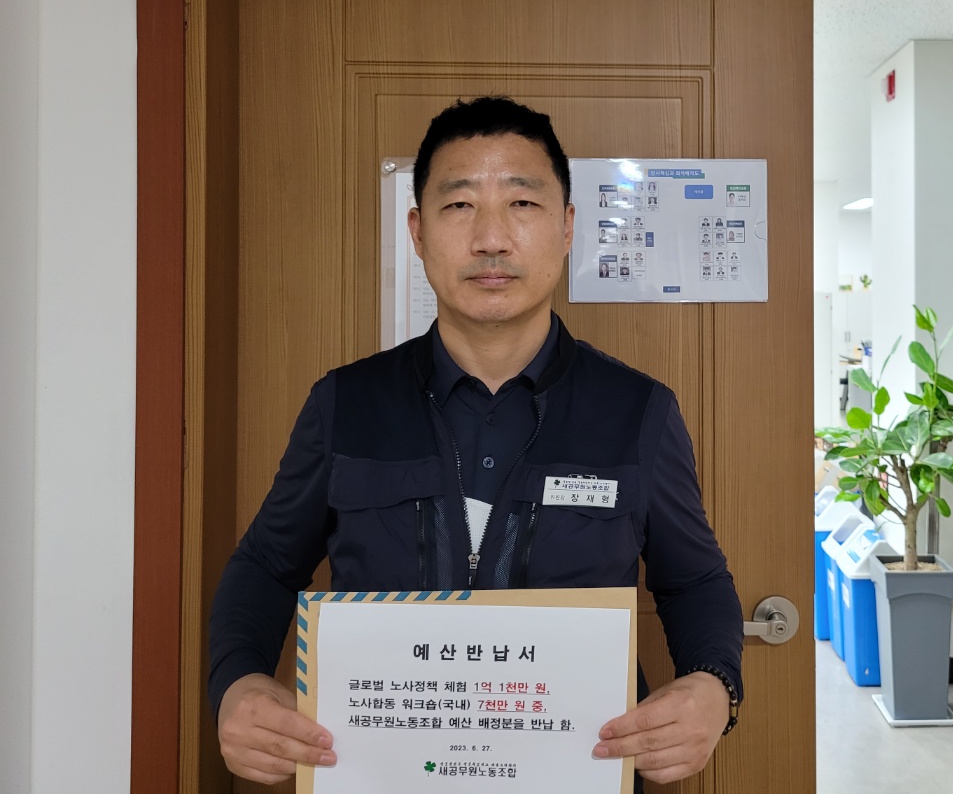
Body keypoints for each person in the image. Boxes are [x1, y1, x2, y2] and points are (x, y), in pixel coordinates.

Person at [209, 97, 742, 790]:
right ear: (418, 231)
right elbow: (265, 564)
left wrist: (713, 685)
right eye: (459, 205)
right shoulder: (345, 403)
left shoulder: (637, 411)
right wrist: (236, 682)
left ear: (567, 227)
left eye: (522, 203)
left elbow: (694, 579)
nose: (492, 238)